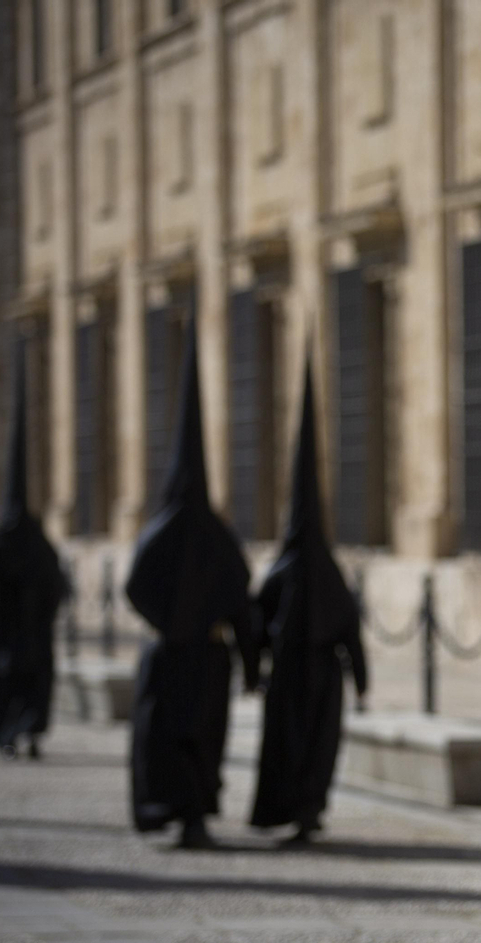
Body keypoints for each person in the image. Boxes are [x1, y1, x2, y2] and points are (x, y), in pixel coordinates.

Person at [125, 324, 260, 849]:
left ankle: (176, 812)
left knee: (168, 739)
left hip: (170, 656)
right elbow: (241, 602)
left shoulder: (157, 534)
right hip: (207, 655)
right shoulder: (220, 539)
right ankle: (195, 815)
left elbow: (135, 587)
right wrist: (249, 660)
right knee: (201, 739)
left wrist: (164, 622)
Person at [249, 358, 368, 844]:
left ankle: (299, 810)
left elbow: (255, 622)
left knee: (296, 744)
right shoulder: (329, 573)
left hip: (290, 671)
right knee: (314, 744)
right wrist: (361, 682)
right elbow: (350, 630)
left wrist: (251, 667)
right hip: (320, 674)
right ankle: (308, 810)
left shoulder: (280, 571)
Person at [0, 340, 70, 761]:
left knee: (20, 681)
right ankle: (21, 731)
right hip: (21, 627)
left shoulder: (1, 541)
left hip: (17, 627)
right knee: (24, 681)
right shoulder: (32, 542)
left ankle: (21, 731)